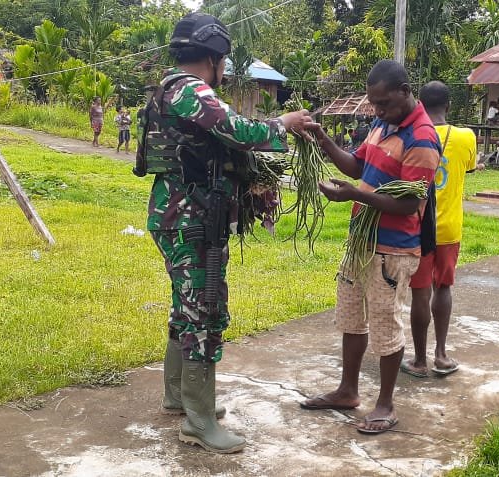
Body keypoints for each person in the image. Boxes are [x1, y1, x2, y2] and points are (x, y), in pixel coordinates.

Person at [136, 12, 311, 453]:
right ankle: (197, 421)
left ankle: (180, 397)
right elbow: (235, 129)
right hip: (190, 220)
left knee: (187, 305)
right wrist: (282, 125)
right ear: (214, 58)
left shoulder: (168, 87)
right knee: (204, 310)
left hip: (181, 215)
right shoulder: (190, 89)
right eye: (223, 63)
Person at [300, 59, 440, 435]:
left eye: (383, 104)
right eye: (374, 104)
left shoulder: (422, 136)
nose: (377, 111)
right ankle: (347, 391)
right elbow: (358, 167)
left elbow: (411, 204)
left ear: (405, 91)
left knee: (384, 323)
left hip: (392, 249)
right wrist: (324, 141)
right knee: (351, 317)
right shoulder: (383, 123)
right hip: (361, 242)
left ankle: (386, 403)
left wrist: (354, 197)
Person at [401, 81, 481, 380]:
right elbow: (470, 168)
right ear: (448, 106)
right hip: (449, 227)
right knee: (443, 287)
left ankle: (420, 360)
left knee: (420, 293)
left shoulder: (414, 134)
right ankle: (441, 355)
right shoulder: (466, 136)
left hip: (419, 226)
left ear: (419, 104)